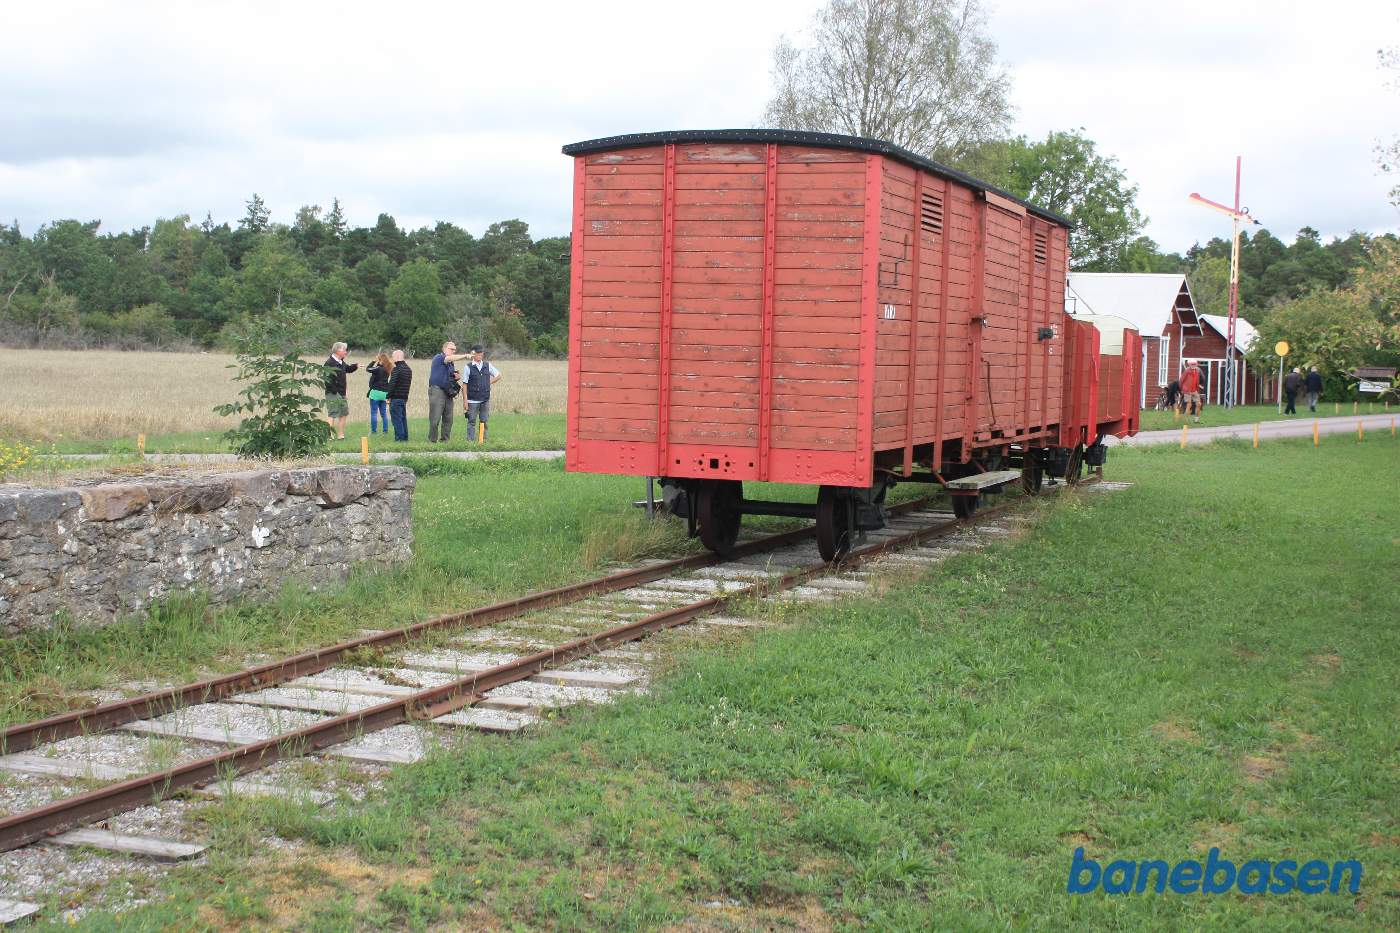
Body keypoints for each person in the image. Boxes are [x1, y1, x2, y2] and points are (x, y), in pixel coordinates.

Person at [427, 340, 470, 443]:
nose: (453, 351)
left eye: (454, 350)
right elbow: (448, 358)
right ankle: (432, 440)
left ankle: (445, 440)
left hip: (448, 392)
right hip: (437, 390)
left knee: (448, 418)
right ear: (444, 349)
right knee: (435, 417)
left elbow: (449, 377)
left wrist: (456, 377)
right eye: (451, 349)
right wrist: (465, 356)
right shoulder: (439, 357)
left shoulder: (451, 364)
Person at [462, 343, 502, 442]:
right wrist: (465, 401)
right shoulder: (468, 367)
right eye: (478, 353)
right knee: (471, 421)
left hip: (485, 399)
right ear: (472, 354)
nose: (480, 355)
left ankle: (482, 441)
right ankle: (470, 441)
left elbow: (498, 375)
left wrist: (488, 383)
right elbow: (464, 385)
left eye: (481, 353)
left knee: (484, 420)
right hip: (472, 400)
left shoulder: (487, 365)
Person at [323, 341, 358, 440]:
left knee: (343, 413)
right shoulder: (329, 363)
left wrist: (356, 366)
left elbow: (348, 369)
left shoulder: (341, 362)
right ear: (338, 350)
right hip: (333, 393)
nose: (346, 352)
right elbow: (327, 380)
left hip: (342, 393)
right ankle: (328, 435)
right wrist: (335, 392)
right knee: (332, 414)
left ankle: (341, 435)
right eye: (344, 350)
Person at [386, 349, 413, 442]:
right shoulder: (408, 369)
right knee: (403, 419)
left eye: (393, 357)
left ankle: (399, 439)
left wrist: (388, 397)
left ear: (397, 357)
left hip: (396, 398)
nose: (392, 359)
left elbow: (392, 384)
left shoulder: (397, 369)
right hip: (404, 398)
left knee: (396, 420)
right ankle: (405, 438)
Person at [365, 352, 392, 434]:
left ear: (381, 360)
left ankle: (374, 431)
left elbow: (368, 369)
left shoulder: (378, 369)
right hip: (384, 393)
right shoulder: (388, 369)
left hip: (375, 393)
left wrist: (373, 361)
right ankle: (385, 430)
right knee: (383, 413)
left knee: (374, 412)